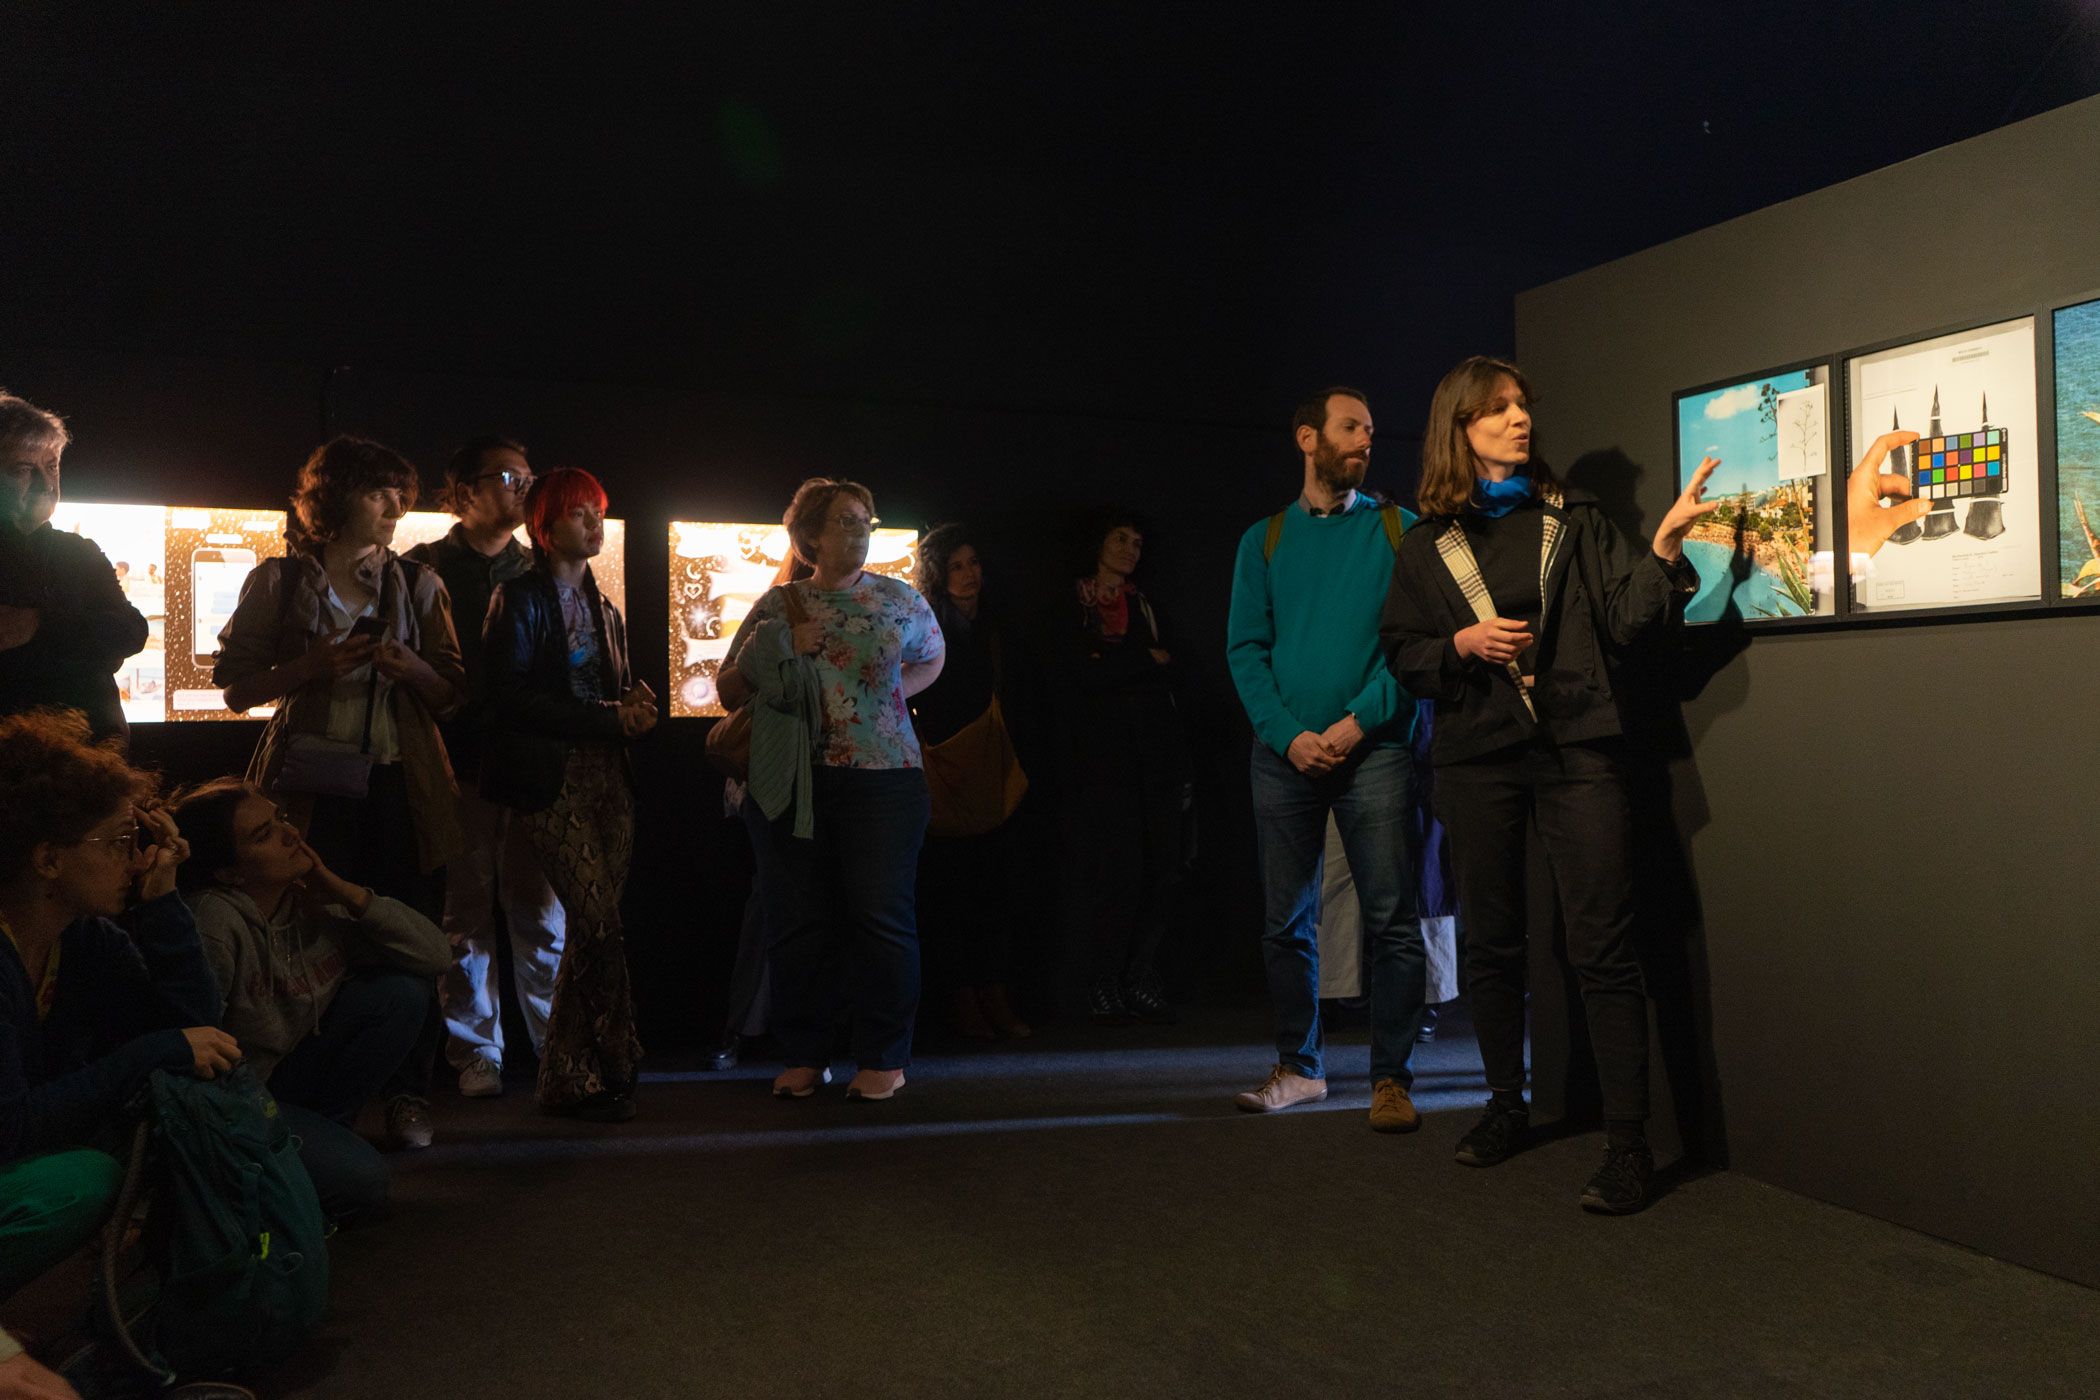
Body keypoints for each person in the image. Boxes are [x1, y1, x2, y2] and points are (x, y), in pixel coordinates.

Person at [1380, 354, 1712, 1213]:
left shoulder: (1575, 516)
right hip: (1477, 757)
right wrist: (1460, 646)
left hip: (1577, 748)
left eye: (1523, 405)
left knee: (1603, 944)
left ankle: (1629, 1145)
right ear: (1461, 427)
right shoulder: (1425, 544)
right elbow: (1402, 653)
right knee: (1492, 941)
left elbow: (1629, 622)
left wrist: (1666, 546)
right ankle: (1504, 1107)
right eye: (1498, 409)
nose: (1519, 419)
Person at [214, 436, 467, 1151]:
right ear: (335, 497)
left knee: (408, 933)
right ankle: (315, 1096)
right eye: (377, 492)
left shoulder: (419, 582)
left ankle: (407, 1093)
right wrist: (311, 666)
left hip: (402, 786)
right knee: (311, 935)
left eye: (400, 494)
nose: (394, 507)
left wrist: (411, 668)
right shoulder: (279, 581)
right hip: (308, 790)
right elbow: (234, 687)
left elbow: (453, 694)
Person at [1225, 386, 1427, 1130]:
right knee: (1287, 921)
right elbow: (1246, 649)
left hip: (1375, 751)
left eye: (1370, 430)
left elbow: (1415, 648)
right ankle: (1299, 1068)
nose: (1365, 441)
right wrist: (1287, 735)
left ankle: (1391, 1080)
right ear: (1307, 438)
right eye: (1350, 428)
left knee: (1392, 920)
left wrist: (1354, 725)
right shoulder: (1265, 539)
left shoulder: (1400, 530)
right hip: (1284, 757)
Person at [0, 711, 233, 1288]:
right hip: (14, 1149)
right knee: (82, 1183)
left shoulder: (85, 940)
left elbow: (197, 1033)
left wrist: (163, 903)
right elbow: (11, 1130)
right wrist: (156, 1051)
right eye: (119, 843)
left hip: (26, 1149)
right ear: (48, 859)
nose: (135, 860)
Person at [730, 478, 943, 1102]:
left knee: (881, 917)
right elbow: (730, 685)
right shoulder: (778, 605)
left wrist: (888, 700)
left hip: (885, 778)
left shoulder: (899, 599)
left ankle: (884, 1057)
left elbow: (932, 657)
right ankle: (806, 1054)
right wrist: (779, 651)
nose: (860, 532)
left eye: (865, 521)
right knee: (797, 921)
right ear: (810, 537)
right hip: (794, 780)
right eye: (846, 521)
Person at [173, 778, 450, 1221]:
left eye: (281, 818)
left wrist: (345, 892)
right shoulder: (215, 923)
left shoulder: (310, 903)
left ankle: (319, 1137)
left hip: (288, 1077)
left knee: (401, 992)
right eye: (264, 834)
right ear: (230, 873)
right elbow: (194, 1060)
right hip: (234, 1099)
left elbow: (435, 956)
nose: (291, 834)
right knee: (364, 1183)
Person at [481, 468, 656, 1122]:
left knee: (592, 925)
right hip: (550, 775)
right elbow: (507, 698)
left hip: (609, 773)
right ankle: (617, 1058)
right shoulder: (518, 597)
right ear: (545, 528)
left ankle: (565, 1076)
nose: (594, 524)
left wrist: (632, 709)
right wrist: (607, 717)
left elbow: (611, 691)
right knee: (595, 922)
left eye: (598, 513)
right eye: (580, 514)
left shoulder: (605, 606)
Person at [403, 437, 565, 1100]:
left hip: (529, 764)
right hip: (455, 760)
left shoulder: (539, 567)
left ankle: (558, 1045)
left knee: (541, 912)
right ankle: (476, 1053)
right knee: (463, 913)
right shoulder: (422, 567)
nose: (523, 488)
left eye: (528, 477)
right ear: (465, 491)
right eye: (508, 477)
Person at [1053, 514, 1188, 1027]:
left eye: (1137, 542)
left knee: (1163, 870)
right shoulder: (1073, 603)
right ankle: (1102, 979)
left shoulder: (1147, 605)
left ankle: (1138, 975)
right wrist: (1143, 663)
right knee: (1116, 874)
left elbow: (1175, 666)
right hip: (1102, 763)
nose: (1130, 549)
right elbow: (1076, 675)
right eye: (1120, 539)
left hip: (1156, 758)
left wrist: (1121, 668)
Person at [909, 523, 1031, 1041]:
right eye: (955, 566)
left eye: (973, 563)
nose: (968, 575)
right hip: (943, 770)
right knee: (951, 893)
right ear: (938, 574)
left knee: (994, 891)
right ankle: (963, 1000)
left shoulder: (997, 627)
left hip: (990, 768)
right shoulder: (927, 626)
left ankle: (993, 993)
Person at [0, 391, 149, 745]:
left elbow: (131, 630)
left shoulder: (78, 552)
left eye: (51, 466)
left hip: (89, 763)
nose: (46, 484)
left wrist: (36, 624)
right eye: (24, 469)